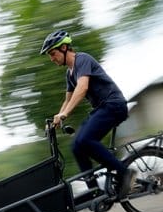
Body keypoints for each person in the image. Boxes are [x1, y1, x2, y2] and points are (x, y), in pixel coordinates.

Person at [40, 29, 136, 199]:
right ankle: (95, 191)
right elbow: (67, 100)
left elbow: (82, 88)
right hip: (102, 109)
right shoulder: (69, 74)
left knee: (85, 139)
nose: (52, 59)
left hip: (114, 105)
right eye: (50, 56)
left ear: (64, 48)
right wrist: (57, 118)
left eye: (53, 53)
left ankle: (125, 172)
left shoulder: (82, 59)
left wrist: (65, 115)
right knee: (76, 146)